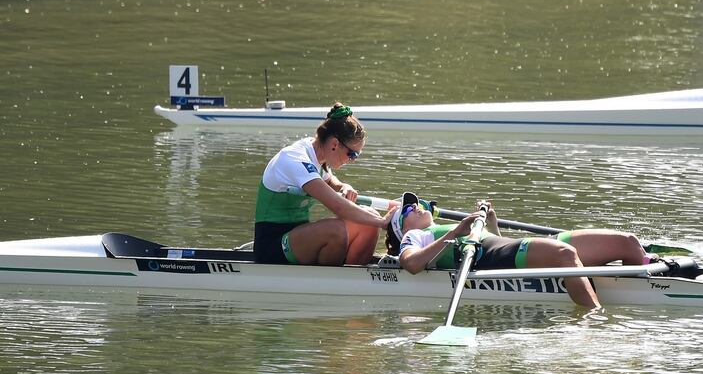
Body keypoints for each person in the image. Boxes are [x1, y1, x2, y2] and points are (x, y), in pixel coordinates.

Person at [385, 192, 658, 309]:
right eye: (408, 210)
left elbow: (500, 243)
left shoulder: (443, 229)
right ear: (401, 229)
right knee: (565, 255)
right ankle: (595, 321)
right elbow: (411, 264)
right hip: (496, 257)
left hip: (511, 247)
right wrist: (457, 232)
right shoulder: (414, 236)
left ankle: (653, 283)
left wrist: (491, 222)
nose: (417, 206)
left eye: (419, 203)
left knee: (627, 241)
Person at [253, 103, 396, 265]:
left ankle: (353, 275)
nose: (352, 160)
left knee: (368, 219)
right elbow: (338, 207)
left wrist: (344, 187)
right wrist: (382, 222)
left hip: (297, 236)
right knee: (336, 231)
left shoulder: (316, 152)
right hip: (272, 245)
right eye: (352, 154)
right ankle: (331, 279)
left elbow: (330, 181)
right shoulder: (295, 159)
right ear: (334, 144)